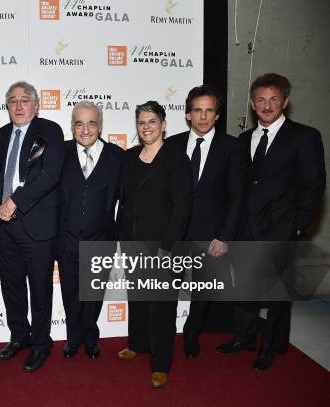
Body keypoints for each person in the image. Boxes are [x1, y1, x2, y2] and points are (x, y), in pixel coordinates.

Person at [215, 73, 325, 371]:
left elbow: (314, 185)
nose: (267, 106)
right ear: (252, 104)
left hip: (281, 227)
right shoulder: (244, 139)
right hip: (245, 227)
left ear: (285, 102)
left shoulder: (304, 136)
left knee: (277, 294)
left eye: (273, 99)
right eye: (261, 100)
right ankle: (244, 337)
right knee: (246, 287)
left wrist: (299, 224)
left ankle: (272, 346)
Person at [166, 85, 246, 358]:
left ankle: (191, 335)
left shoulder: (232, 147)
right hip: (173, 235)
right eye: (197, 110)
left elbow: (237, 196)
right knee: (165, 290)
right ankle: (162, 336)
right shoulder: (172, 144)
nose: (203, 116)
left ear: (217, 114)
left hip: (210, 235)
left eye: (209, 110)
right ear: (188, 114)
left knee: (202, 294)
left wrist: (225, 236)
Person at [115, 101, 191, 388]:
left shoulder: (176, 158)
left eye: (152, 122)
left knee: (161, 306)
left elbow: (182, 207)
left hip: (163, 246)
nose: (146, 127)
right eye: (141, 122)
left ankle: (161, 363)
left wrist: (167, 246)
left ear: (163, 124)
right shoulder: (130, 157)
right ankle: (138, 343)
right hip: (132, 242)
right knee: (136, 297)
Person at [0, 81, 65, 372]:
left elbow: (49, 175)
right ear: (7, 106)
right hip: (4, 227)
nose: (19, 106)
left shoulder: (49, 131)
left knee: (39, 288)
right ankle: (18, 336)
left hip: (36, 225)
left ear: (36, 105)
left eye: (25, 100)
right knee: (11, 287)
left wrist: (15, 201)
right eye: (13, 101)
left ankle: (40, 344)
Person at [57, 101, 125, 360]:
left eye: (91, 123)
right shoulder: (59, 153)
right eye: (79, 123)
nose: (85, 129)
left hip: (102, 239)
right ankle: (73, 338)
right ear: (72, 126)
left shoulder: (117, 157)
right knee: (71, 293)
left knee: (94, 293)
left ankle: (90, 337)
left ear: (100, 126)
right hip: (68, 240)